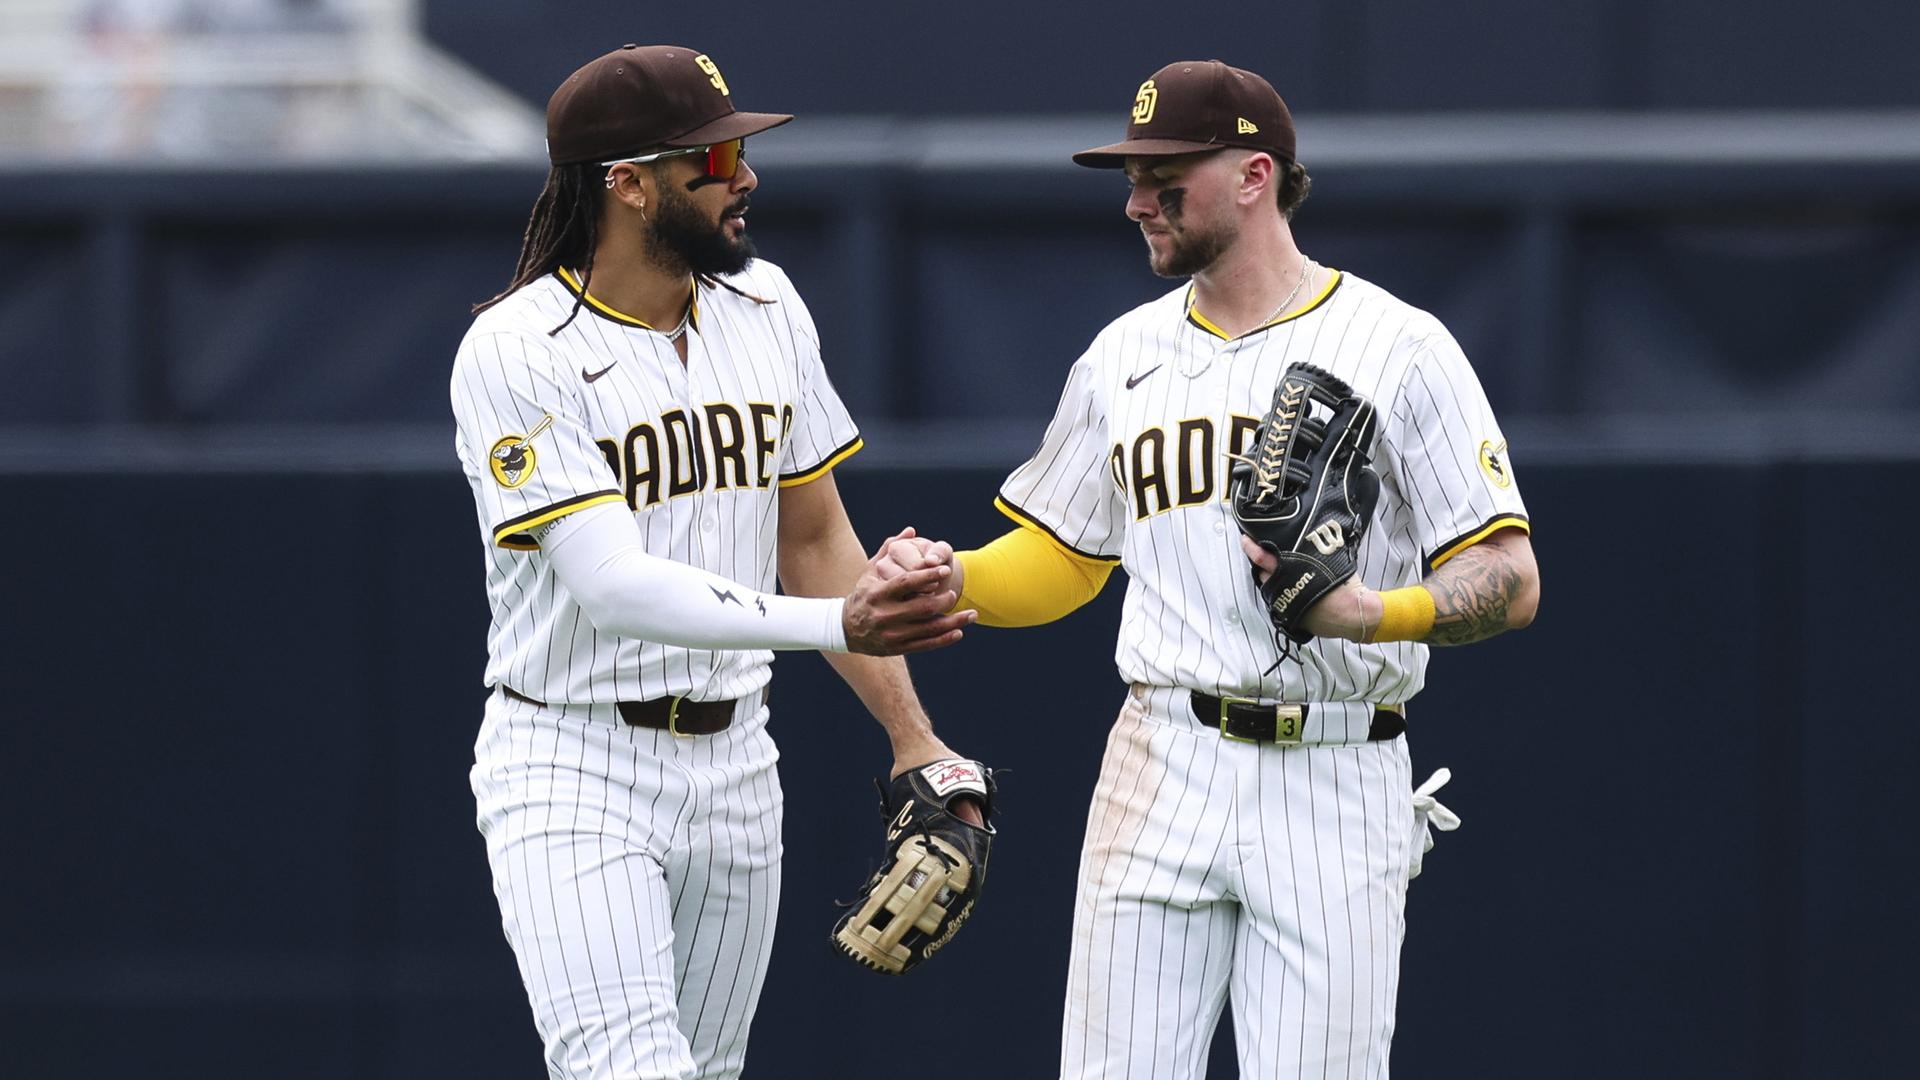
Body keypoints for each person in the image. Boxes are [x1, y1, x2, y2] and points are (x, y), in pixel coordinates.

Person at [882, 60, 1540, 1077]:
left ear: (1255, 175)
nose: (1139, 200)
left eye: (1167, 174)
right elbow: (1065, 558)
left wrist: (1374, 612)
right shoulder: (1121, 356)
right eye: (1134, 175)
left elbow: (1509, 576)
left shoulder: (1402, 347)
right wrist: (952, 575)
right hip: (1162, 755)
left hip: (1337, 764)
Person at [449, 44, 978, 1080]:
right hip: (575, 758)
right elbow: (613, 585)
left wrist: (915, 739)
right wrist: (839, 624)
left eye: (739, 150)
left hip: (738, 761)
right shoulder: (518, 349)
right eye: (716, 157)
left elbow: (815, 535)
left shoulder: (767, 305)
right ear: (629, 182)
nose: (744, 176)